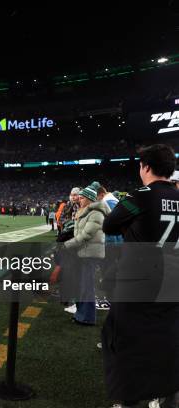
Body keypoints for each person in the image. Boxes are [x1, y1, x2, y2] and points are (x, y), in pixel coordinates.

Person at [101, 144, 179, 408]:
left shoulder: (143, 195)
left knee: (125, 340)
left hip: (139, 280)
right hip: (173, 279)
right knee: (168, 340)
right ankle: (168, 397)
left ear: (146, 167)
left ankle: (129, 401)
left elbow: (109, 223)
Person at [63, 181, 110, 325]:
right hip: (82, 252)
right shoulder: (87, 211)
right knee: (80, 285)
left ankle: (87, 317)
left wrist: (67, 244)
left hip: (89, 253)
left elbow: (86, 234)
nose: (79, 199)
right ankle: (80, 314)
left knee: (86, 286)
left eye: (82, 197)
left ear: (89, 198)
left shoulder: (96, 213)